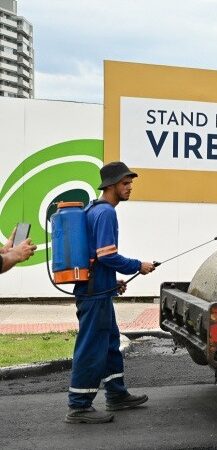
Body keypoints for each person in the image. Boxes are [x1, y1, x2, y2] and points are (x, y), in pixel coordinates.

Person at [65, 161, 157, 424]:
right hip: (94, 294)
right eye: (125, 183)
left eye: (130, 183)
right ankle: (79, 406)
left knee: (109, 344)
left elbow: (96, 257)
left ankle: (116, 394)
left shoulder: (94, 209)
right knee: (92, 347)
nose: (129, 188)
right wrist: (138, 266)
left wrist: (113, 281)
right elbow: (107, 254)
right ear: (111, 186)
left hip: (98, 289)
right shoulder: (106, 212)